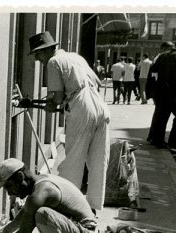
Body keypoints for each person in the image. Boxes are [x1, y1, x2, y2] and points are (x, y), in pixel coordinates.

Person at [20, 31, 110, 214]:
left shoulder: (53, 62)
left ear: (46, 50)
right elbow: (97, 81)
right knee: (98, 159)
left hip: (81, 105)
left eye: (37, 54)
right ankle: (92, 207)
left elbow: (58, 97)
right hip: (99, 104)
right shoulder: (74, 57)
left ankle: (69, 205)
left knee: (74, 159)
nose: (38, 59)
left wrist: (52, 106)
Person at [146, 38, 176, 152]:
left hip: (161, 93)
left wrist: (155, 87)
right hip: (174, 94)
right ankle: (174, 142)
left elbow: (153, 72)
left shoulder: (162, 56)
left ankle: (157, 140)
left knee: (161, 117)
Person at [146, 41, 174, 145]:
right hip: (160, 90)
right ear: (164, 48)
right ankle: (156, 138)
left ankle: (152, 137)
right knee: (160, 115)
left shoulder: (158, 57)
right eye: (170, 48)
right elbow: (155, 73)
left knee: (158, 114)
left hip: (157, 90)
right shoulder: (163, 56)